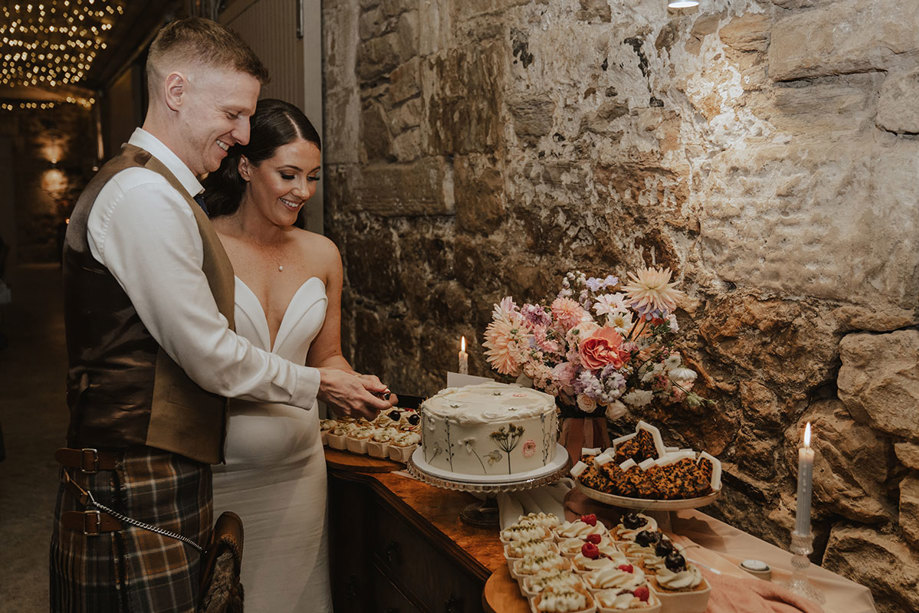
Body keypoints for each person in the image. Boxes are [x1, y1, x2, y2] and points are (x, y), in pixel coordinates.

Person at [50, 18, 395, 613]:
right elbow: (208, 354)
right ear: (176, 92)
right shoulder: (144, 197)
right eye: (232, 113)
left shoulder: (163, 192)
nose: (241, 134)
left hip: (170, 473)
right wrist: (318, 383)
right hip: (133, 477)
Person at [202, 98, 384, 612]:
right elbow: (202, 362)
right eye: (287, 174)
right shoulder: (202, 248)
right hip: (218, 473)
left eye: (312, 176)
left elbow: (328, 357)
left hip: (300, 472)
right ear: (244, 168)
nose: (302, 191)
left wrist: (354, 384)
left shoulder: (322, 253)